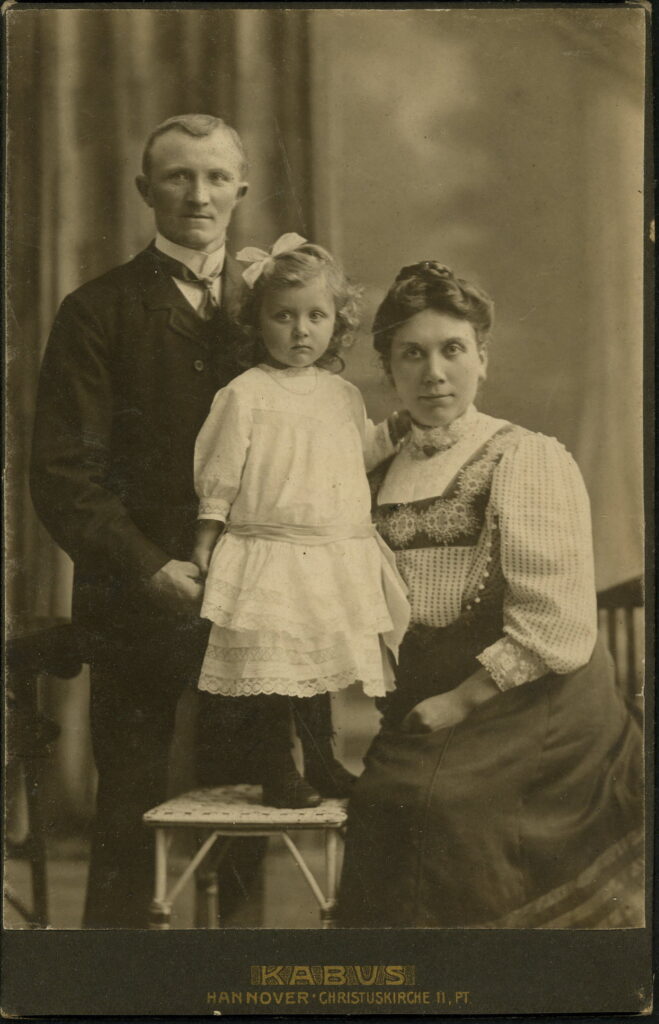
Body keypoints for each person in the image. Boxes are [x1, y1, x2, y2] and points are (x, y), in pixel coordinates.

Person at [337, 261, 644, 928]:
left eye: (452, 350)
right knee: (383, 802)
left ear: (481, 360)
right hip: (424, 696)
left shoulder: (524, 458)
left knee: (442, 812)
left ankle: (485, 982)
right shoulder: (375, 471)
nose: (432, 373)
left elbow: (554, 627)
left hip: (537, 698)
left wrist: (460, 701)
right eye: (410, 354)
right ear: (387, 369)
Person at [30, 113, 264, 928]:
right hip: (136, 602)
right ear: (144, 191)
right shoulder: (97, 311)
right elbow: (63, 476)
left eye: (212, 177)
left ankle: (235, 979)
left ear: (241, 189)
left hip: (255, 603)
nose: (196, 194)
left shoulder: (278, 311)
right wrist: (149, 568)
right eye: (176, 176)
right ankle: (115, 987)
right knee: (129, 810)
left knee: (246, 810)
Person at [191, 235, 411, 809]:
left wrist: (393, 434)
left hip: (327, 553)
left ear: (337, 323)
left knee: (315, 672)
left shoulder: (341, 395)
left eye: (316, 316)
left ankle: (323, 763)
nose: (300, 331)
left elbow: (352, 457)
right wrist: (205, 542)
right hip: (269, 551)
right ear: (257, 321)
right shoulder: (244, 393)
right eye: (283, 316)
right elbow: (220, 474)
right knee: (273, 675)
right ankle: (277, 771)